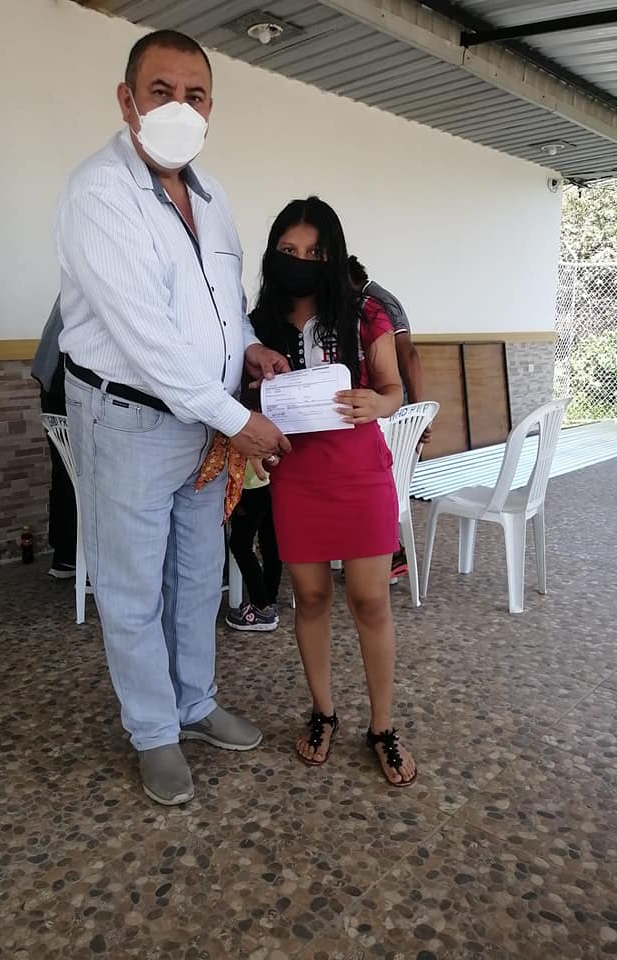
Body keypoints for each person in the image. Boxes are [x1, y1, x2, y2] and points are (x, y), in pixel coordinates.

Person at [56, 30, 291, 806]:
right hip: (128, 420)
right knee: (133, 590)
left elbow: (222, 307)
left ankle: (194, 703)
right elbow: (149, 339)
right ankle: (153, 730)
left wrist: (249, 347)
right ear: (127, 101)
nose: (179, 108)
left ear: (211, 108)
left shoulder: (212, 196)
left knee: (195, 578)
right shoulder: (100, 194)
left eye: (195, 95)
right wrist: (238, 418)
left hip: (202, 429)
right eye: (161, 92)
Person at [251, 197, 417, 787]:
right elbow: (248, 399)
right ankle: (323, 712)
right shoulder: (259, 323)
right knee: (311, 597)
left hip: (360, 472)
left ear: (333, 253)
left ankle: (382, 726)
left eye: (314, 251)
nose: (301, 260)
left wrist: (378, 402)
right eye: (289, 250)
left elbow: (394, 390)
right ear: (274, 254)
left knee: (370, 600)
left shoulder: (365, 313)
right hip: (296, 476)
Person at [347, 255, 430, 582]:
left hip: (392, 412)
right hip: (383, 410)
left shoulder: (376, 302)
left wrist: (419, 413)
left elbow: (408, 353)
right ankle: (383, 553)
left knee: (381, 487)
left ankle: (388, 555)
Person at [32, 298, 79, 580]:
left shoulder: (72, 288)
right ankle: (90, 563)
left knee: (66, 473)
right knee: (88, 478)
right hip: (68, 387)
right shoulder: (101, 282)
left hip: (52, 384)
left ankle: (66, 556)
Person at [225, 459, 282, 631]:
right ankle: (269, 600)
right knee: (269, 543)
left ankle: (261, 606)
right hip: (271, 481)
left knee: (239, 544)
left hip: (250, 484)